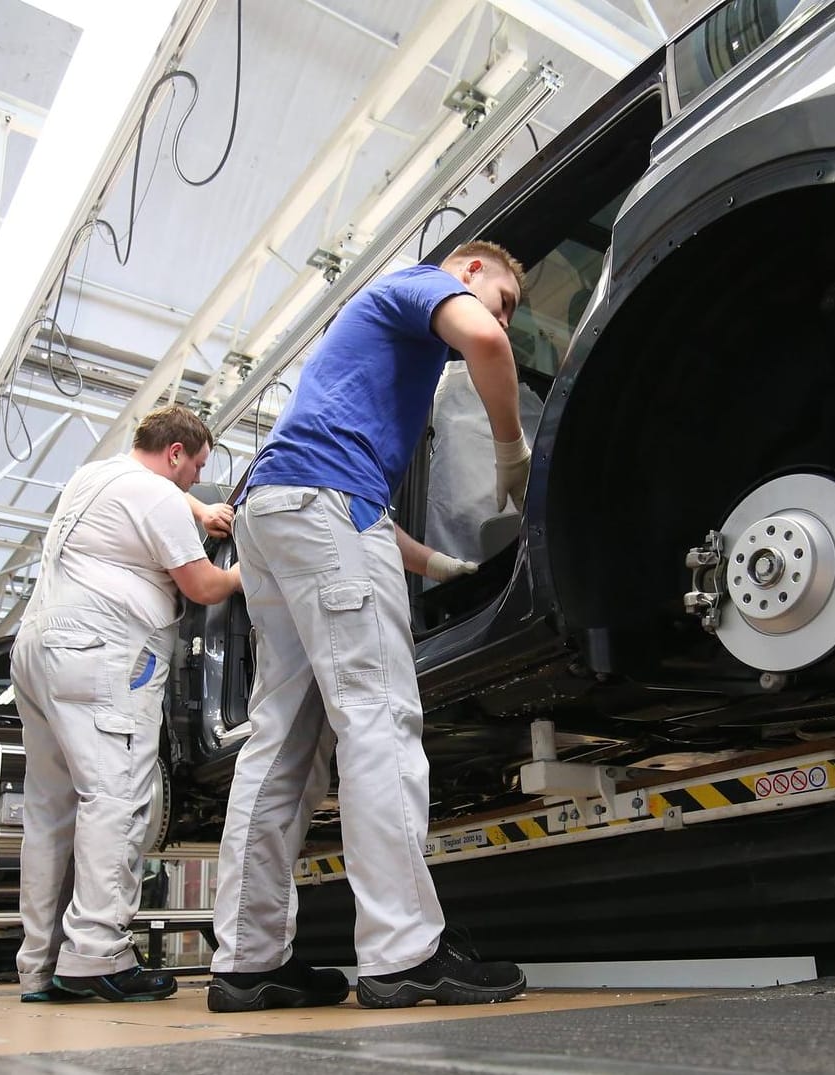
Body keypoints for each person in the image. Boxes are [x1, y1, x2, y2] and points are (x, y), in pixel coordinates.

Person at [207, 241, 530, 1013]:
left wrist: (443, 569)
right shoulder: (423, 286)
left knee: (279, 740)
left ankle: (247, 964)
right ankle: (403, 954)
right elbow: (486, 342)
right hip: (323, 508)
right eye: (507, 296)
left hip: (276, 512)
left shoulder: (374, 344)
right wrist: (511, 448)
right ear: (469, 270)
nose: (504, 316)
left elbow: (367, 519)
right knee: (377, 720)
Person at [12, 405, 242, 1002]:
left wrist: (197, 509)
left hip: (38, 651)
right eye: (196, 468)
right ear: (175, 454)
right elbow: (202, 587)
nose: (195, 480)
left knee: (52, 812)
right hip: (103, 651)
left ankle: (39, 966)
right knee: (115, 797)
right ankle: (96, 954)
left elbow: (158, 494)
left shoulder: (93, 477)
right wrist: (253, 570)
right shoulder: (160, 497)